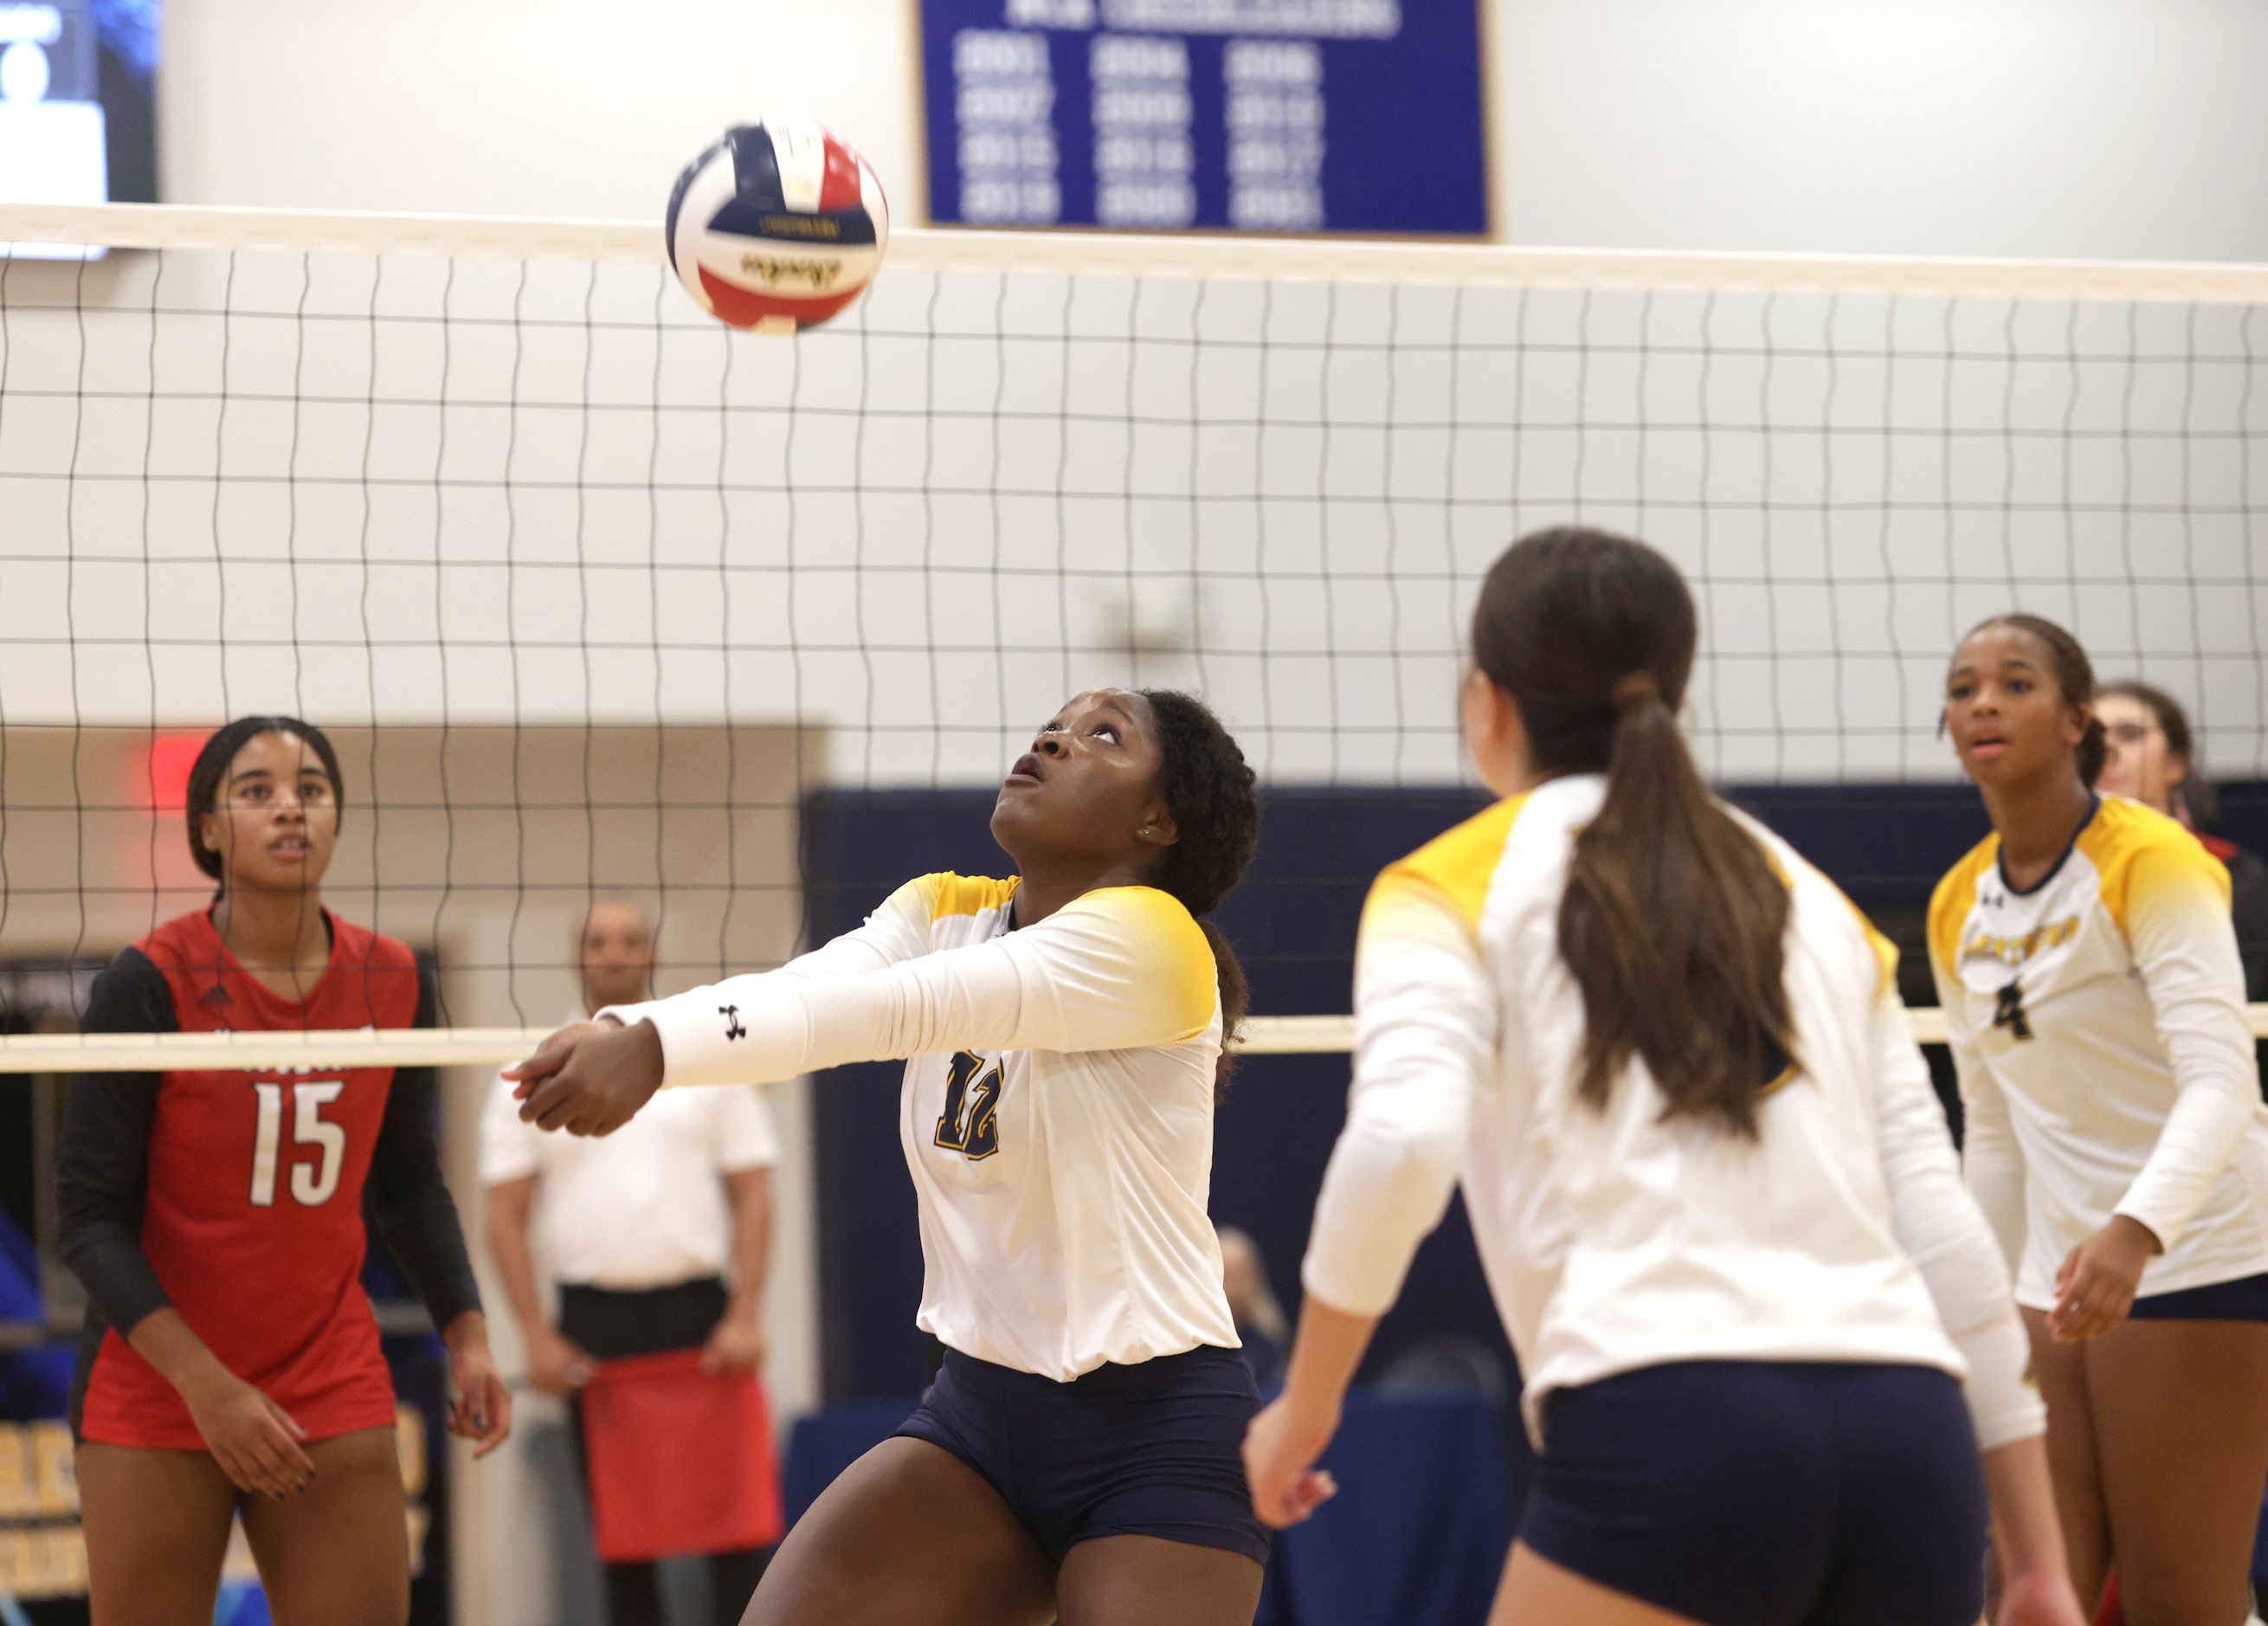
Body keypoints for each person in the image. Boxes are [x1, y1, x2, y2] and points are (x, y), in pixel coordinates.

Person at [1243, 529, 2084, 1626]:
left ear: (1485, 703)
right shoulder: (1815, 899)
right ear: (1674, 697)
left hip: (1673, 1415)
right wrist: (2035, 1563)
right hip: (1908, 1432)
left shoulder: (1445, 883)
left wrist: (1302, 1412)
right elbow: (1940, 1228)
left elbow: (1402, 1146)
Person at [508, 687, 1267, 1626]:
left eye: (1100, 737)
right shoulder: (943, 908)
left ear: (1159, 818)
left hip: (1158, 1434)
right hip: (981, 1418)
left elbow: (889, 1011)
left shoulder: (1155, 941)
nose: (1052, 738)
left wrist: (656, 1047)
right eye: (1056, 723)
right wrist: (638, 1025)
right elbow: (808, 992)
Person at [55, 715, 511, 1626]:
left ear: (337, 818)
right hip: (161, 1383)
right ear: (210, 829)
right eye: (255, 791)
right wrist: (206, 1387)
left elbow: (408, 1181)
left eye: (310, 788)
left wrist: (466, 1330)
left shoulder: (393, 978)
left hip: (325, 1372)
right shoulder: (147, 981)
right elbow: (86, 1216)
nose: (288, 808)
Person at [1932, 618, 2268, 1624]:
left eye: (2015, 683)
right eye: (1961, 688)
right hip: (2052, 1274)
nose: (1982, 702)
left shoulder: (2152, 861)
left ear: (2077, 720)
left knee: (2179, 1601)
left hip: (2195, 1248)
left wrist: (2136, 1229)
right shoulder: (1959, 905)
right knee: (2038, 1593)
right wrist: (1976, 1304)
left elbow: (2222, 1083)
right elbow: (1990, 1132)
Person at [482, 900, 781, 1626]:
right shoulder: (532, 1067)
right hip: (594, 1325)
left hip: (699, 1314)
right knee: (624, 1553)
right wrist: (536, 1336)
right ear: (575, 957)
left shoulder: (707, 1055)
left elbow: (755, 1191)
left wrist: (745, 1312)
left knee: (737, 1544)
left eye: (630, 940)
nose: (615, 953)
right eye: (598, 941)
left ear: (651, 955)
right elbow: (503, 1215)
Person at [2095, 680, 2268, 1003]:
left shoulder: (2236, 877)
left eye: (2129, 735)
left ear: (2176, 763)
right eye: (2092, 738)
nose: (2106, 750)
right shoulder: (2047, 876)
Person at [1215, 1227, 1287, 1389]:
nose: (1227, 1288)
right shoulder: (1188, 1341)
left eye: (1233, 1276)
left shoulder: (1269, 1343)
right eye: (1222, 1275)